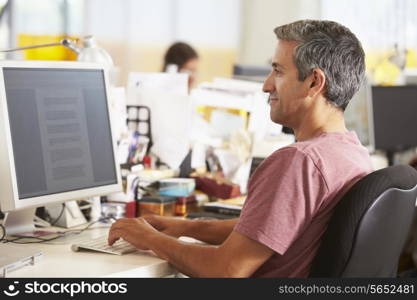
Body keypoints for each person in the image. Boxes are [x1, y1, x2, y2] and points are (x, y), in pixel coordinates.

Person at [108, 20, 373, 277]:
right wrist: (186, 227)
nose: (266, 85)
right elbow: (270, 229)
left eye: (278, 71)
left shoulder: (299, 162)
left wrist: (149, 238)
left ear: (314, 82)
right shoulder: (353, 153)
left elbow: (225, 271)